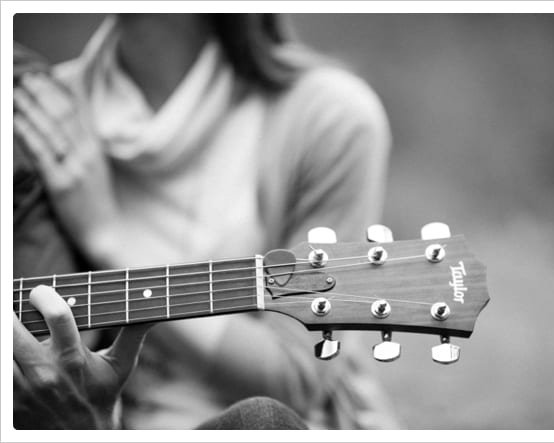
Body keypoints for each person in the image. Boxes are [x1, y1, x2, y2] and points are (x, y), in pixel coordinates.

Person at [13, 13, 395, 430]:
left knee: (260, 423)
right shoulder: (40, 119)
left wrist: (111, 240)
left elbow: (298, 375)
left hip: (271, 423)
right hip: (108, 423)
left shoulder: (329, 116)